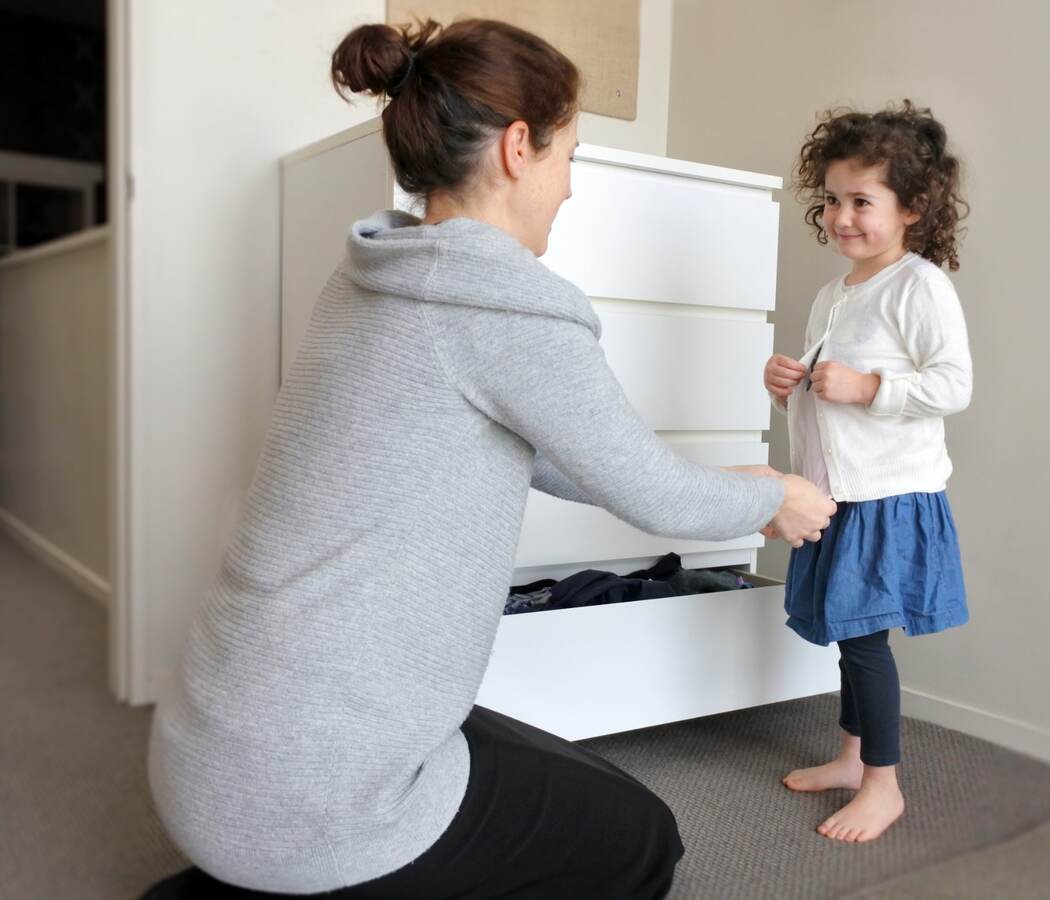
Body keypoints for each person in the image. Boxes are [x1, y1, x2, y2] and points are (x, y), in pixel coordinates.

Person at [142, 18, 836, 899]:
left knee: (572, 783)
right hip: (304, 789)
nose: (572, 188)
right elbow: (654, 494)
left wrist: (733, 489)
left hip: (209, 744)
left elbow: (531, 456)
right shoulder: (505, 304)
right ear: (518, 148)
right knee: (641, 843)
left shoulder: (375, 272)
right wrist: (774, 494)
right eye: (570, 156)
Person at [763, 100, 972, 843]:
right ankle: (853, 758)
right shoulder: (836, 293)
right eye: (833, 199)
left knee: (865, 642)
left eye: (862, 201)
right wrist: (788, 380)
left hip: (887, 498)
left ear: (912, 207)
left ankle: (884, 784)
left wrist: (870, 389)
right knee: (849, 633)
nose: (842, 216)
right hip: (838, 492)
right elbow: (831, 387)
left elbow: (952, 385)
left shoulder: (920, 286)